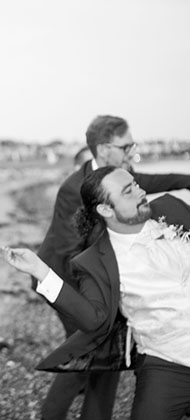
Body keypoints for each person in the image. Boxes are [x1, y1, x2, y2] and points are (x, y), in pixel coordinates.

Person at [35, 115, 190, 420]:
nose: (132, 151)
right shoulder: (74, 189)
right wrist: (108, 295)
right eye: (126, 145)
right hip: (69, 276)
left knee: (107, 362)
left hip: (103, 273)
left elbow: (155, 183)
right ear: (104, 149)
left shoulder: (121, 177)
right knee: (89, 354)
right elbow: (69, 250)